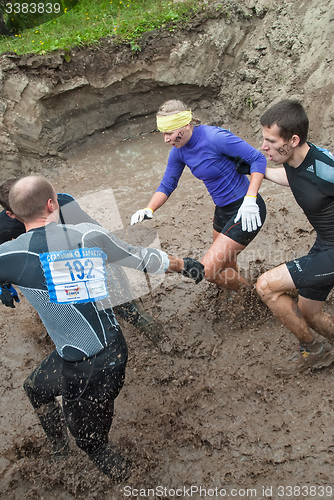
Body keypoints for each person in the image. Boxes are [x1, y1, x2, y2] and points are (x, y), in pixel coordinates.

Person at [0, 175, 204, 480]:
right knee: (36, 388)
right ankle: (59, 448)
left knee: (92, 444)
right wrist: (185, 264)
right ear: (53, 203)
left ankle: (135, 485)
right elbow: (141, 257)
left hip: (90, 366)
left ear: (12, 215)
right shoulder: (88, 234)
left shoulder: (8, 256)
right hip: (105, 349)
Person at [0, 178, 164, 343]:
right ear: (11, 213)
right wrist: (3, 286)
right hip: (51, 270)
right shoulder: (4, 226)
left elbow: (102, 240)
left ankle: (162, 340)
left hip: (88, 260)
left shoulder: (63, 203)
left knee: (129, 311)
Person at [131, 100, 267, 291]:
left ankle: (256, 299)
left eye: (169, 133)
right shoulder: (179, 151)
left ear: (185, 126)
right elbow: (168, 184)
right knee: (226, 265)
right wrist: (149, 208)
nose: (166, 139)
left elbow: (257, 158)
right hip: (223, 209)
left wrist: (251, 199)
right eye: (163, 134)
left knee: (210, 271)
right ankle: (241, 293)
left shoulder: (215, 137)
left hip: (247, 208)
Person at [256, 99, 334, 376]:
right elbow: (296, 179)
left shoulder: (326, 168)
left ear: (293, 139)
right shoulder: (291, 159)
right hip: (324, 243)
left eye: (270, 141)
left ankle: (315, 351)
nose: (263, 147)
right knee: (309, 313)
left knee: (266, 286)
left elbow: (317, 179)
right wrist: (257, 171)